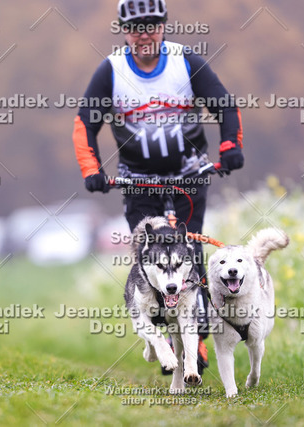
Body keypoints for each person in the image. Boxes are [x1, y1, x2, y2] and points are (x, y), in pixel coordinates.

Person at [72, 0, 244, 376]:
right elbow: (85, 123)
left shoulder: (186, 62)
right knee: (148, 255)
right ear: (124, 30)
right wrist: (92, 169)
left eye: (151, 25)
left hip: (188, 174)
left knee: (188, 252)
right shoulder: (112, 70)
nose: (144, 34)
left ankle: (195, 337)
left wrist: (230, 145)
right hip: (138, 179)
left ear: (163, 26)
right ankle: (161, 334)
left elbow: (225, 106)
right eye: (136, 27)